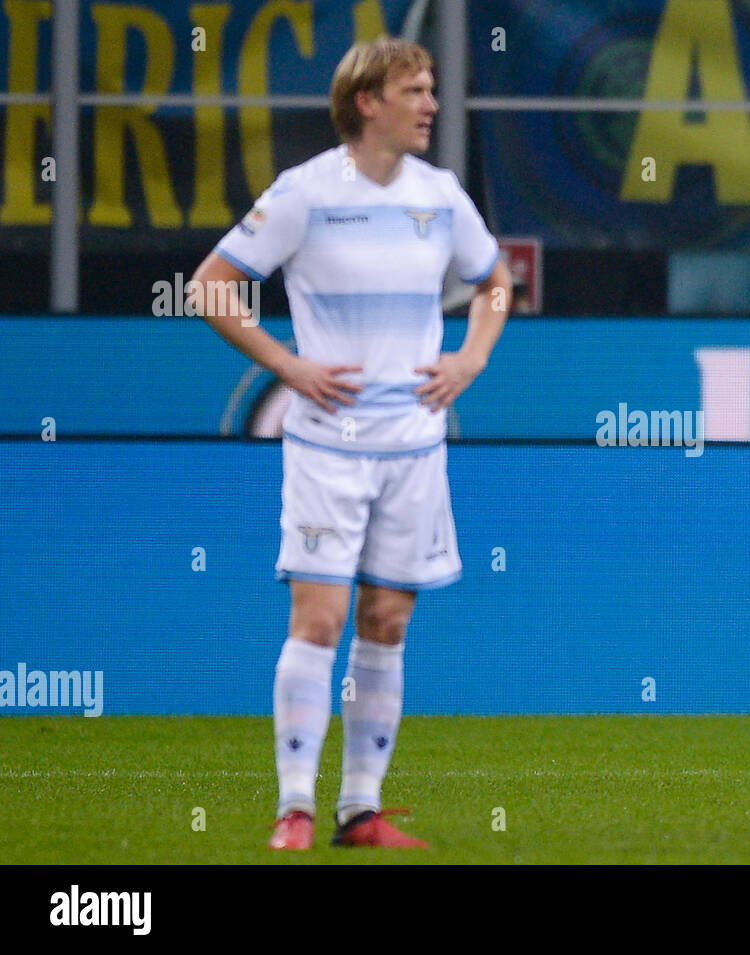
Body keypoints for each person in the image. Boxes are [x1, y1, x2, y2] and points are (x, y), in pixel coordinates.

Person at [189, 36, 511, 845]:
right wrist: (288, 364)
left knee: (388, 621)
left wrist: (469, 359)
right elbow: (210, 286)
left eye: (433, 89)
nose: (432, 104)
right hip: (328, 445)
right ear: (367, 102)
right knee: (320, 618)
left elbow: (494, 280)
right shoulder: (304, 194)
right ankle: (294, 805)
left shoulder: (440, 194)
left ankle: (358, 810)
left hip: (414, 444)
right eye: (416, 90)